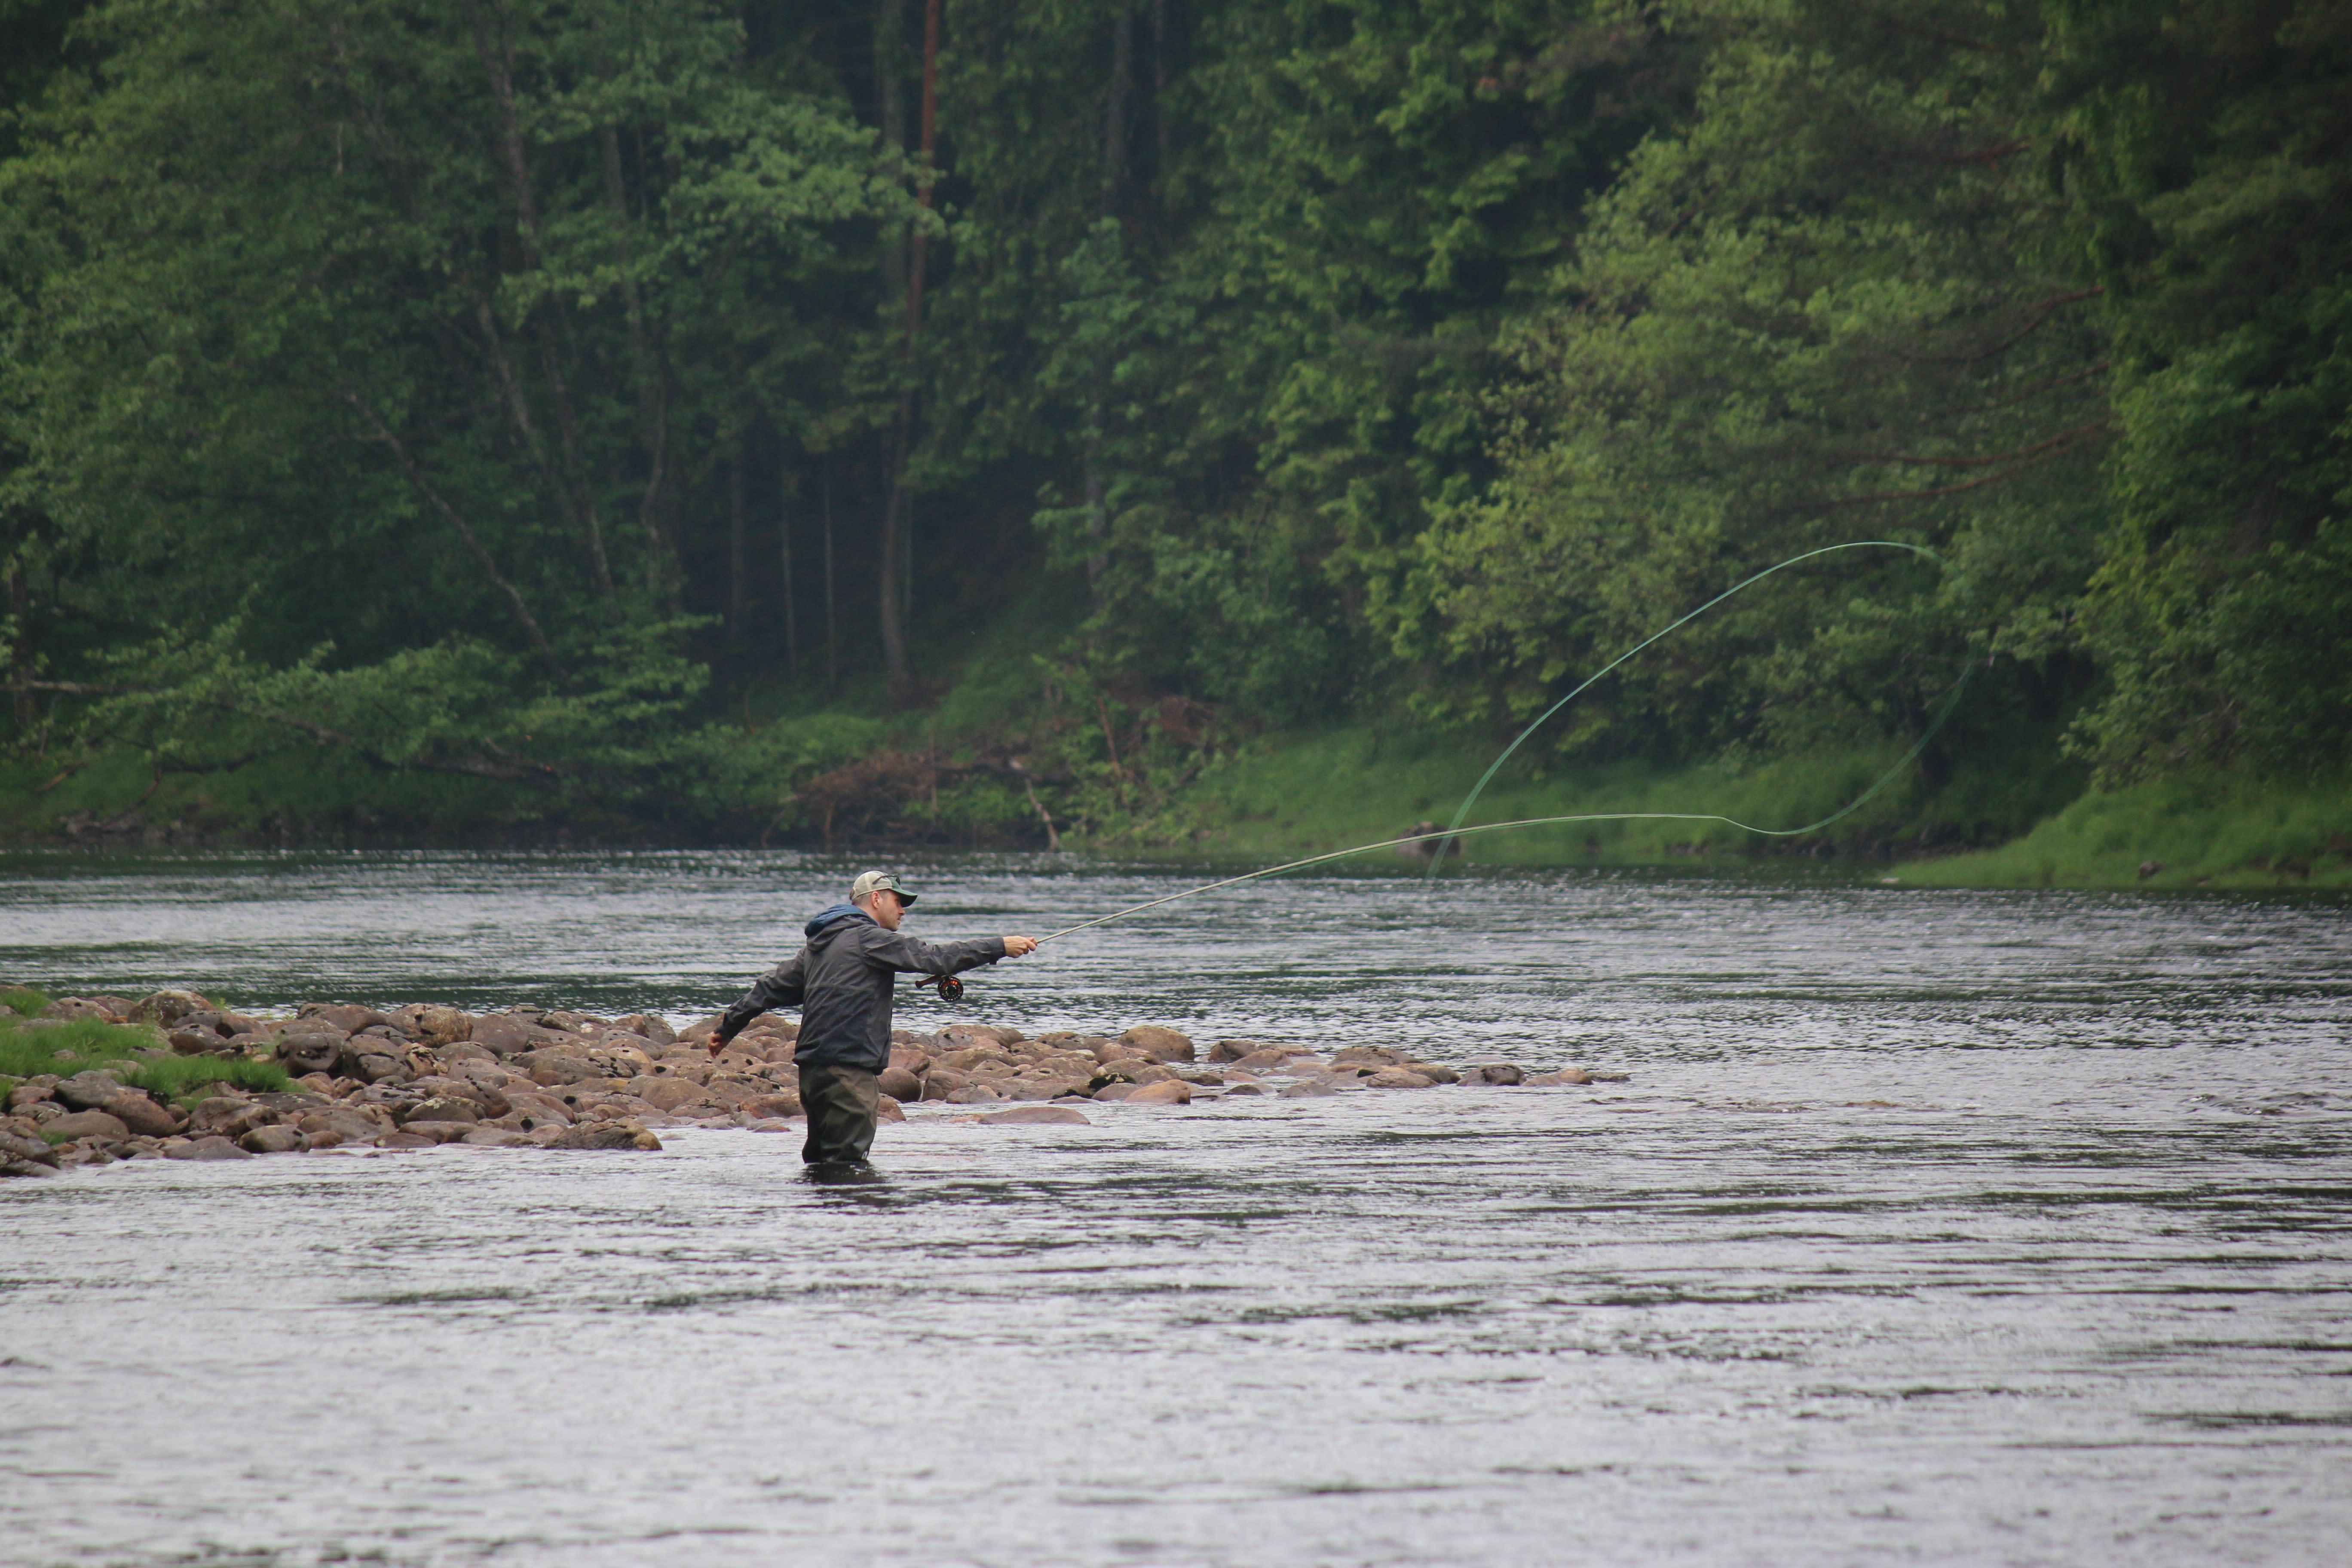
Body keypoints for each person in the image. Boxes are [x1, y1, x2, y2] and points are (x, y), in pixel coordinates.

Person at [707, 870, 1039, 1170]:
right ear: (876, 899)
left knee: (821, 1162)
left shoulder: (819, 946)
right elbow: (932, 957)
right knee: (848, 1166)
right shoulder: (869, 938)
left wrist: (728, 1027)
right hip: (849, 1071)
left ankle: (816, 1229)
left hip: (814, 1072)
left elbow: (770, 987)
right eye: (898, 901)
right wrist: (998, 947)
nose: (904, 910)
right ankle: (852, 1232)